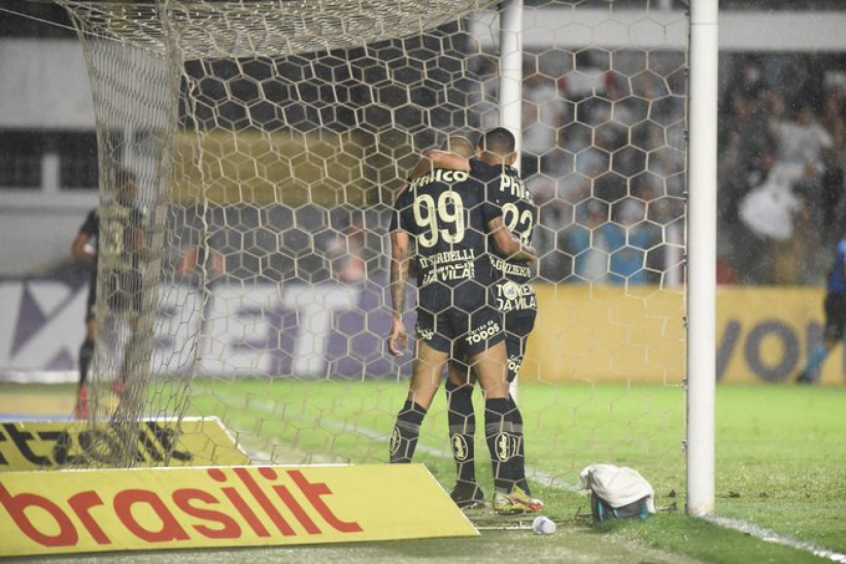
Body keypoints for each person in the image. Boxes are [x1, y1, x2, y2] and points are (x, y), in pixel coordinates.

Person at [388, 134, 542, 514]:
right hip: (479, 298)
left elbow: (399, 259)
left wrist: (396, 318)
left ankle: (398, 480)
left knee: (423, 396)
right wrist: (529, 253)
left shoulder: (407, 196)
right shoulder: (481, 182)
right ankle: (507, 488)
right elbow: (504, 243)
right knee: (497, 391)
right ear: (471, 158)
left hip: (433, 302)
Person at [796, 236, 846, 385]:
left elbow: (831, 271)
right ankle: (805, 374)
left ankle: (806, 374)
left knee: (830, 340)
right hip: (840, 300)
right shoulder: (844, 247)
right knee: (830, 341)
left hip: (835, 298)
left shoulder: (841, 246)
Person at [71, 208, 99, 419]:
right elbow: (78, 248)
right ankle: (82, 394)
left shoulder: (99, 212)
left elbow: (78, 248)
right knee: (139, 329)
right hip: (126, 277)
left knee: (92, 333)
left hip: (111, 277)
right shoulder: (136, 212)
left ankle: (123, 382)